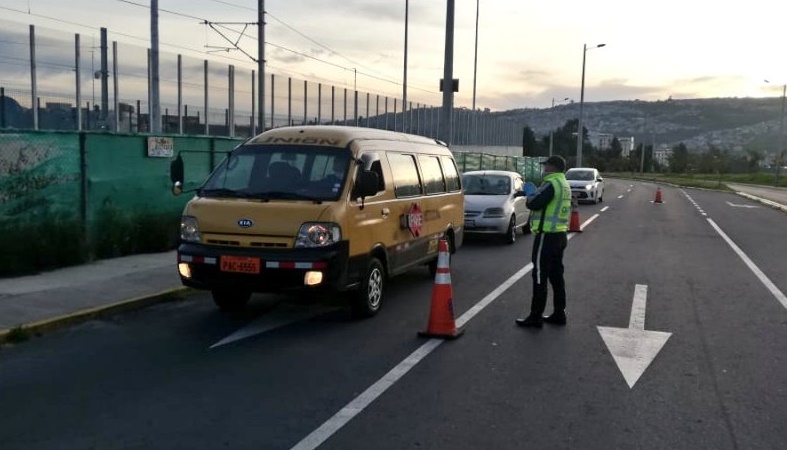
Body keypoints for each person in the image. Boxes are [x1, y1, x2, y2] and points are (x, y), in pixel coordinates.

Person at [516, 155, 572, 328]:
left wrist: (530, 194)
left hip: (546, 236)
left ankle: (535, 316)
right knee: (556, 276)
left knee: (540, 275)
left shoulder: (551, 183)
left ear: (553, 166)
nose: (544, 168)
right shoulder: (564, 184)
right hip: (560, 235)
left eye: (546, 165)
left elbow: (534, 204)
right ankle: (559, 312)